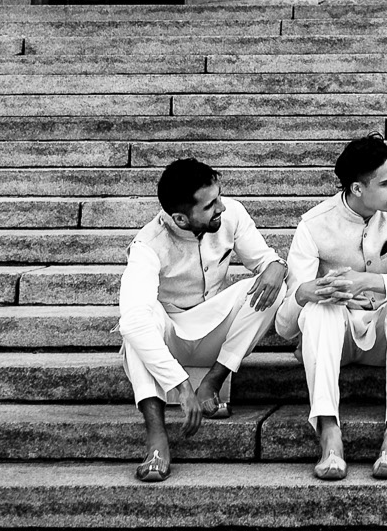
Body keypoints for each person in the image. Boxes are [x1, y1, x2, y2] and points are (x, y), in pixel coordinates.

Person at [118, 156, 287, 483]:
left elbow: (265, 260)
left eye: (219, 197)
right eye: (210, 205)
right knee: (138, 319)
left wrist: (277, 265)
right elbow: (134, 322)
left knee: (269, 286)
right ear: (181, 217)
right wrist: (180, 386)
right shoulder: (148, 245)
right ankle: (156, 439)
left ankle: (212, 382)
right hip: (170, 339)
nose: (221, 208)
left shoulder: (232, 214)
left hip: (215, 335)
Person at [277, 134, 387, 481]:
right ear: (357, 188)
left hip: (384, 333)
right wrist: (306, 292)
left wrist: (371, 282)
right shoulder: (313, 225)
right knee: (320, 309)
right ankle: (329, 432)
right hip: (338, 336)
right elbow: (285, 327)